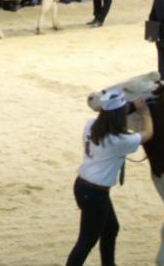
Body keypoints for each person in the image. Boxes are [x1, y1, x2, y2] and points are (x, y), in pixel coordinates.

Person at [64, 89, 153, 266]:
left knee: (111, 228)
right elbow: (148, 134)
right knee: (86, 241)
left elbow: (110, 116)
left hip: (83, 186)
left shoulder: (91, 125)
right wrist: (144, 113)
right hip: (96, 194)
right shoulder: (119, 141)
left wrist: (126, 108)